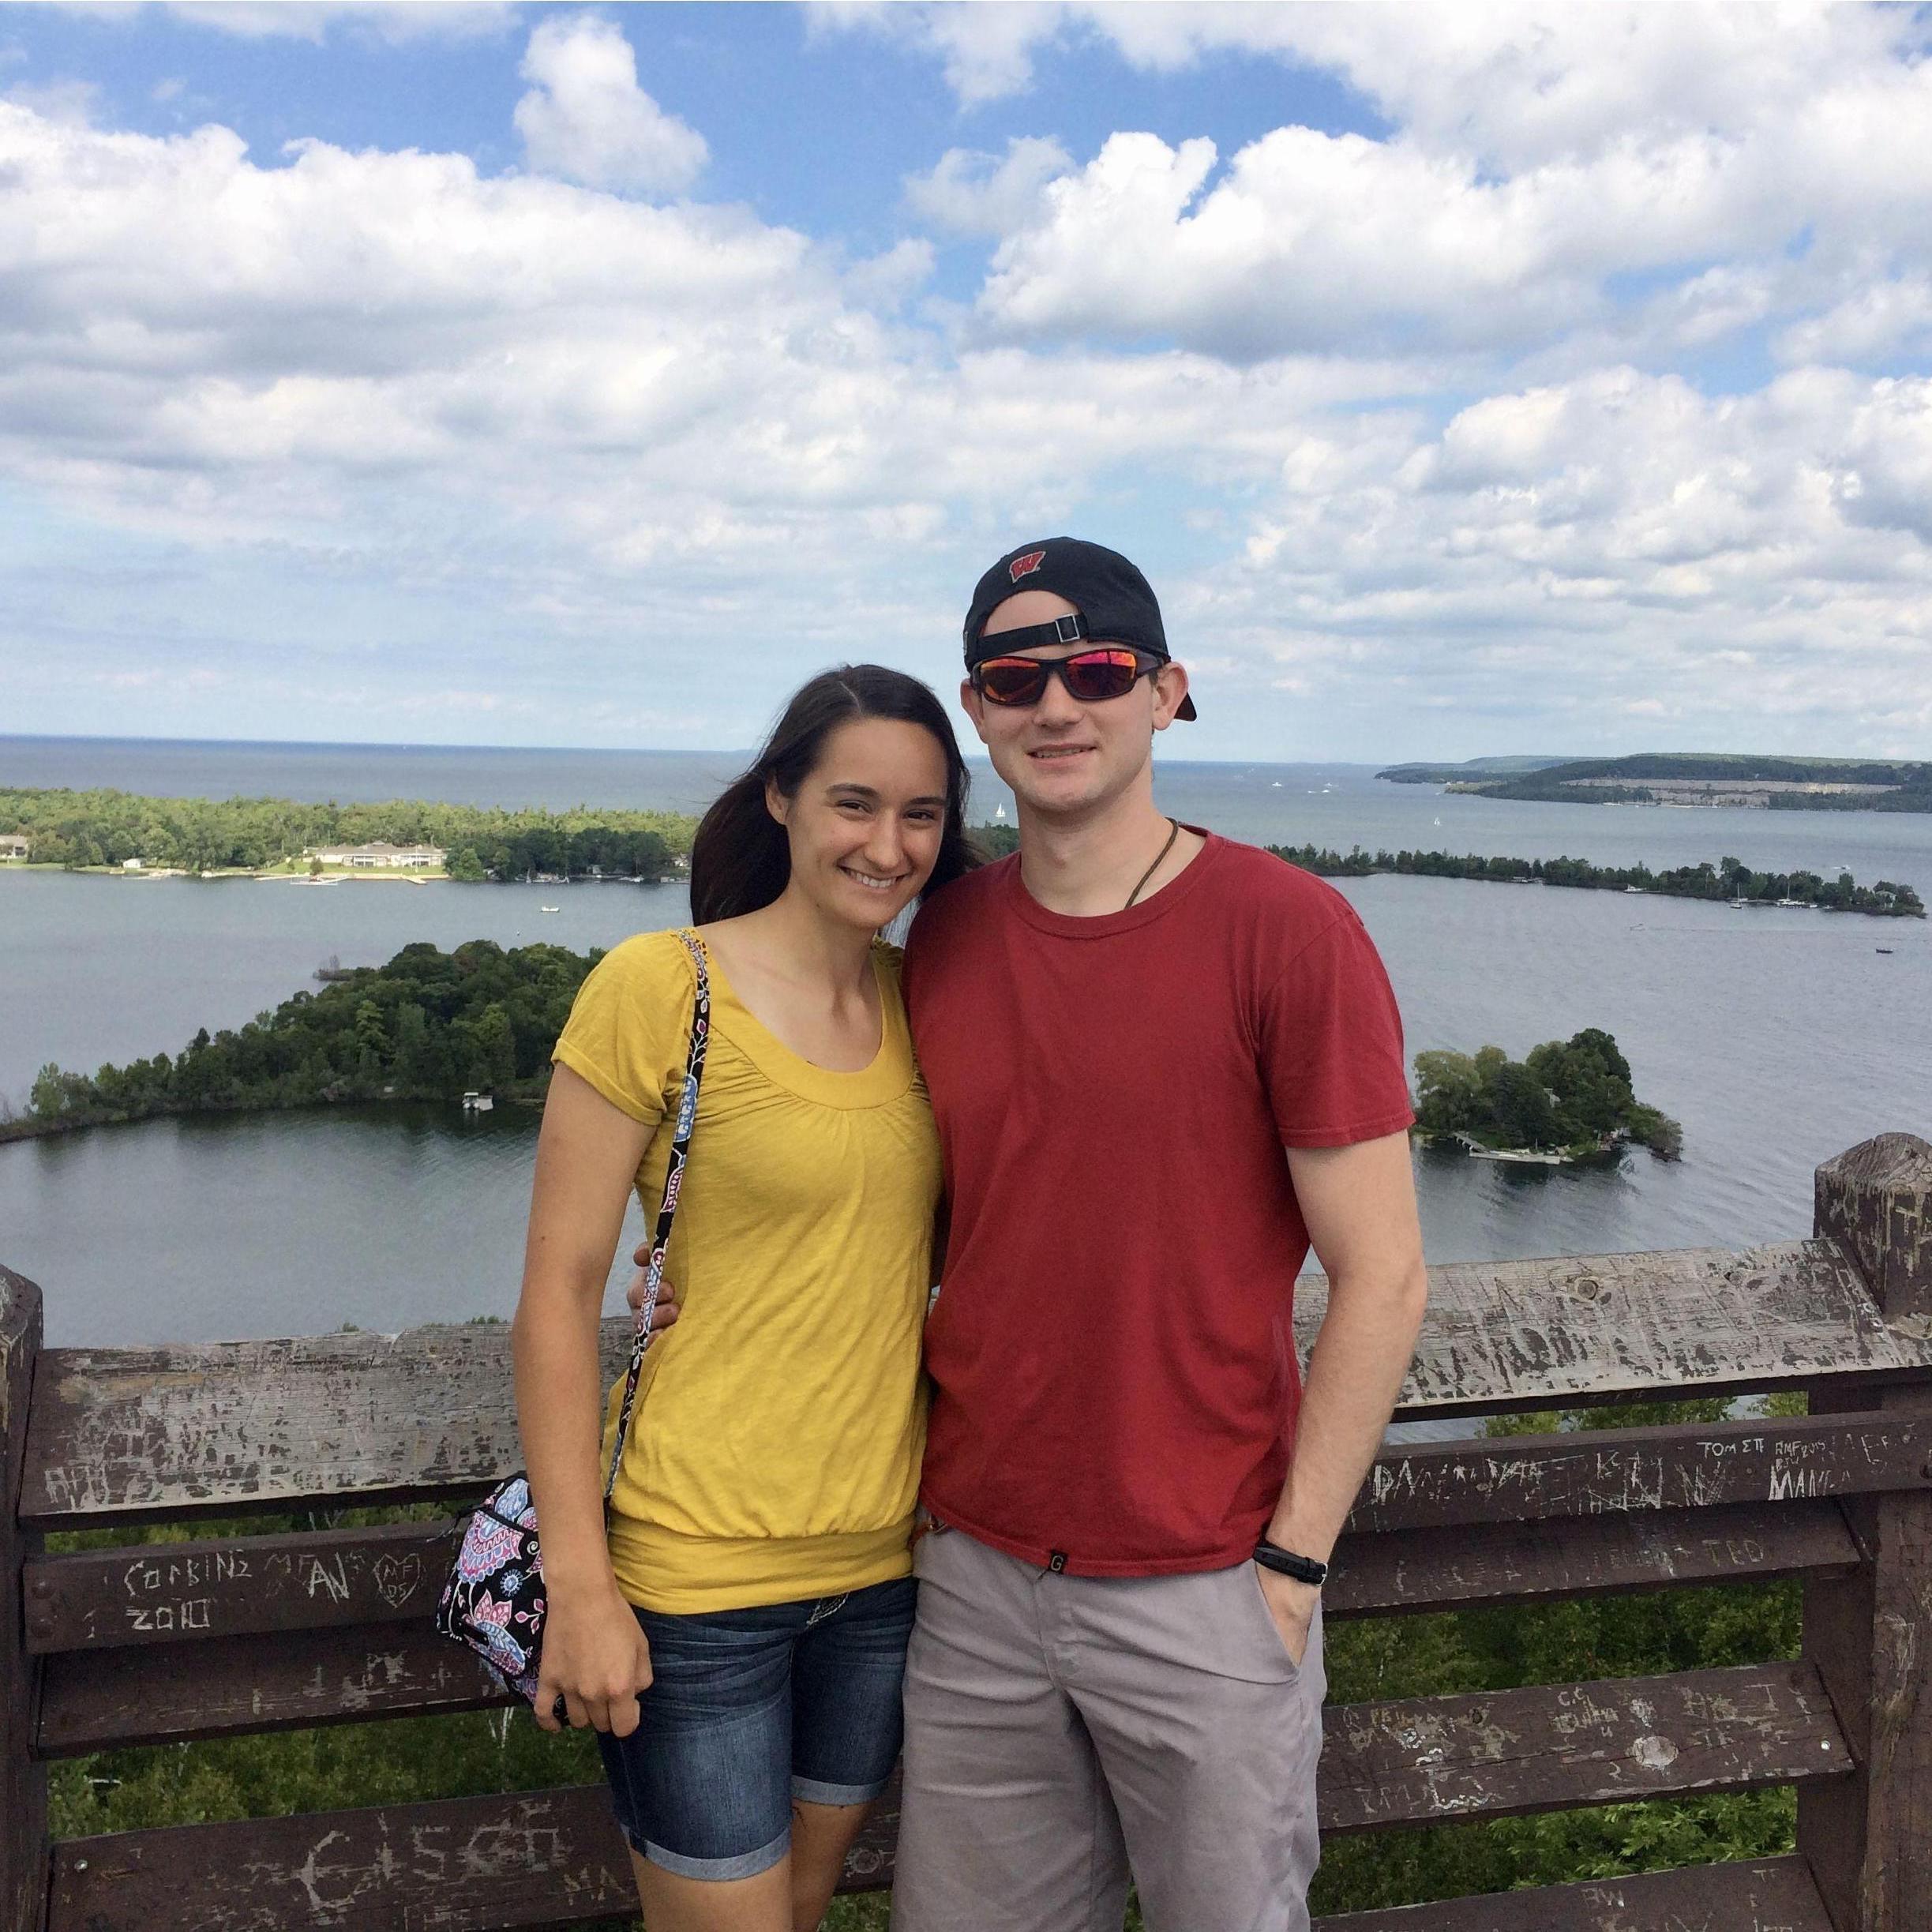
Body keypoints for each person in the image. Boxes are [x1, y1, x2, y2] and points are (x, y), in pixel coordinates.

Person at [888, 538, 1431, 1932]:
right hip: (974, 1570)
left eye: (1098, 670)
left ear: (1165, 692)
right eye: (1018, 678)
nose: (1057, 704)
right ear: (976, 707)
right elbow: (897, 1215)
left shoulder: (1287, 931)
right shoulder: (941, 941)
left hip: (1208, 1583)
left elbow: (1383, 1276)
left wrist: (1293, 1570)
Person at [511, 664, 979, 1932]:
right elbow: (555, 1297)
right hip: (691, 1578)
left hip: (883, 1575)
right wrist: (584, 1586)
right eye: (854, 803)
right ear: (779, 797)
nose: (888, 846)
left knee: (806, 1913)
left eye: (922, 815)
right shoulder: (662, 987)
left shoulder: (924, 1000)